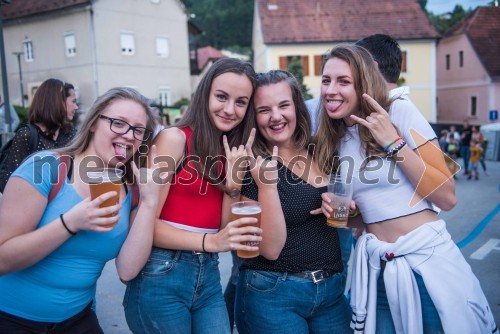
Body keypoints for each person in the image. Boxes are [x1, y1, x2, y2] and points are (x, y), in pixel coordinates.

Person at [314, 44, 497, 333]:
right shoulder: (332, 136)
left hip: (425, 263)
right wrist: (343, 215)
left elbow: (447, 196)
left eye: (343, 81)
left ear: (363, 83)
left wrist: (394, 142)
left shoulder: (399, 111)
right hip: (377, 270)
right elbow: (370, 215)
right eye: (326, 80)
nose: (330, 90)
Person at [0, 87, 165, 332]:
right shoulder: (45, 168)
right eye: (118, 123)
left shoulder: (132, 189)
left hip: (77, 320)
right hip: (12, 319)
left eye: (138, 130)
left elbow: (127, 271)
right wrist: (70, 223)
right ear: (93, 124)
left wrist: (150, 202)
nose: (129, 135)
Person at [124, 58, 263, 334]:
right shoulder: (175, 139)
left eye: (240, 102)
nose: (229, 109)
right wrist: (210, 241)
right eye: (221, 97)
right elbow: (143, 223)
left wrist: (233, 182)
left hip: (208, 274)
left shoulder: (232, 150)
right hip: (162, 271)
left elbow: (222, 228)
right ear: (205, 94)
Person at [234, 70, 352, 333]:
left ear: (297, 107)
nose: (276, 116)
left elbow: (344, 221)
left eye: (283, 105)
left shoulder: (321, 150)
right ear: (254, 117)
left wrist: (343, 211)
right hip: (273, 294)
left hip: (330, 292)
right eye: (264, 110)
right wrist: (267, 185)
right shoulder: (252, 166)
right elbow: (270, 249)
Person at [0, 79, 78, 192]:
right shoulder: (27, 134)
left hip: (64, 207)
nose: (76, 107)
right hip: (32, 207)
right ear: (57, 102)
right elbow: (7, 182)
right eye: (73, 101)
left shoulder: (70, 134)